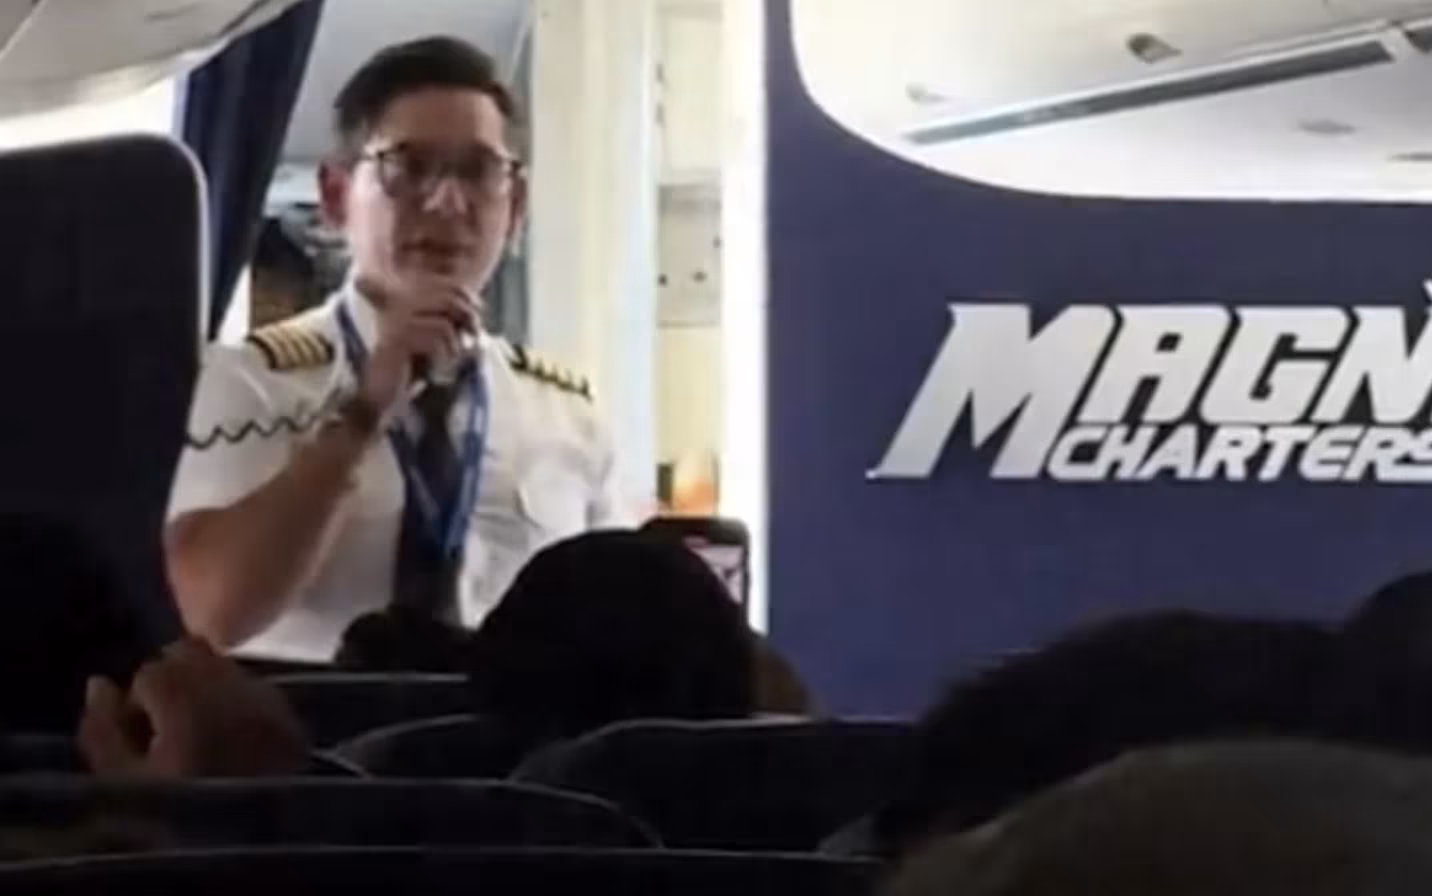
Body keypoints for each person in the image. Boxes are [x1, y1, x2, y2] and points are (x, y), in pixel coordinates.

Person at [165, 36, 628, 662]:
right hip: (305, 723)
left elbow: (612, 640)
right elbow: (209, 613)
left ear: (515, 207)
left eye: (479, 172)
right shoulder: (246, 384)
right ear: (336, 197)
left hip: (503, 726)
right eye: (408, 168)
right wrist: (360, 415)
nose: (447, 202)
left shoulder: (567, 417)